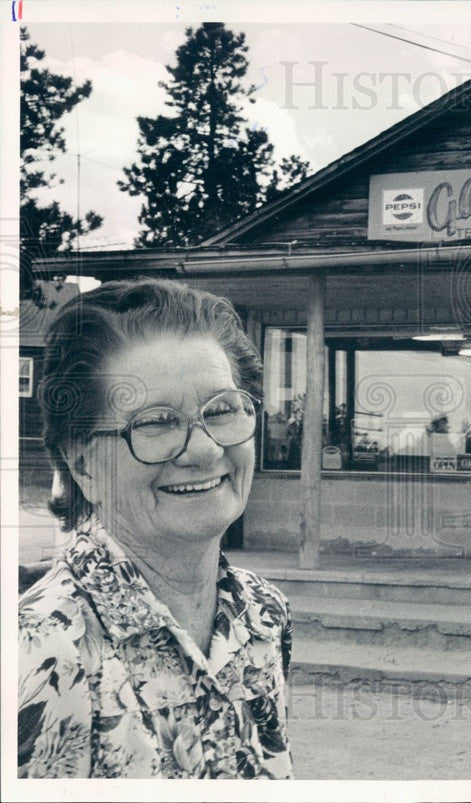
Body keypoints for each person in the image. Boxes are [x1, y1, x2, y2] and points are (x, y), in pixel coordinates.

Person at [18, 279, 293, 779]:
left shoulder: (263, 614)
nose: (207, 450)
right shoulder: (41, 653)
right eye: (157, 422)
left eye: (224, 409)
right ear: (83, 467)